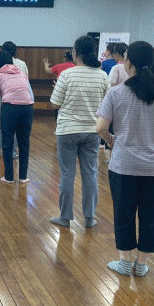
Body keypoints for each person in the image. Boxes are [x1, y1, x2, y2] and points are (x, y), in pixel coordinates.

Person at [96, 41, 154, 277]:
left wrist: (111, 141)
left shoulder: (116, 93)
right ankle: (141, 264)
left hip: (124, 165)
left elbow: (100, 127)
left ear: (127, 63)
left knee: (123, 214)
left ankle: (124, 262)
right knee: (152, 215)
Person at [50, 35, 109, 228]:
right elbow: (108, 104)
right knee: (90, 173)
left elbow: (55, 103)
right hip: (92, 131)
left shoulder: (67, 75)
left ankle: (65, 217)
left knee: (67, 174)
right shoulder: (102, 76)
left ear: (75, 53)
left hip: (67, 130)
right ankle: (90, 218)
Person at [0, 51, 34, 184]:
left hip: (9, 108)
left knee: (7, 143)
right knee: (24, 143)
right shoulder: (21, 73)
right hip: (27, 108)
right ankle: (23, 177)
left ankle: (9, 177)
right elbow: (31, 94)